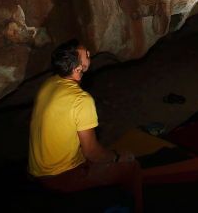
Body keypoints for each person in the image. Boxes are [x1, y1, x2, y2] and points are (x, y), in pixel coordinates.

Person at [28, 39, 142, 212]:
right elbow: (92, 153)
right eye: (86, 54)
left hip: (36, 169)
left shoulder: (49, 83)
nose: (90, 54)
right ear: (78, 69)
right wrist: (118, 157)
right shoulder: (81, 100)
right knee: (131, 167)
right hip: (59, 176)